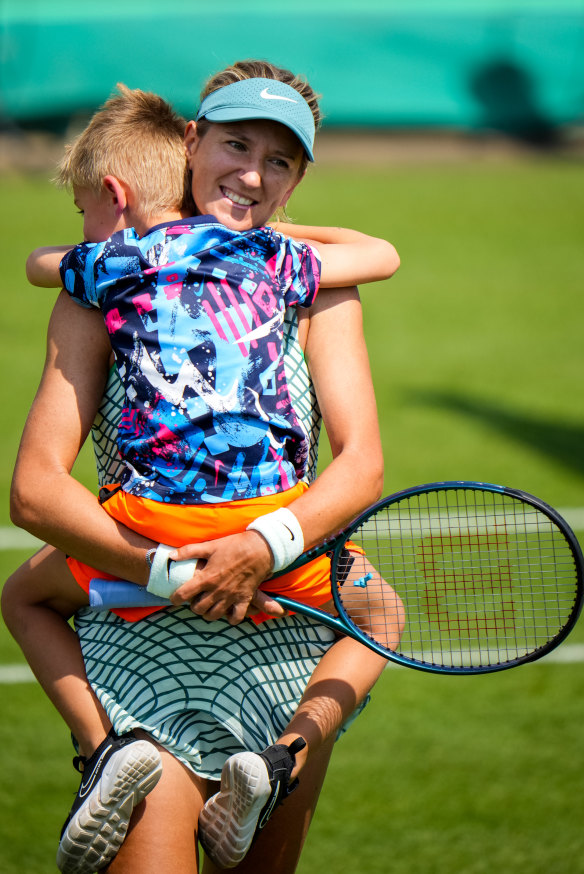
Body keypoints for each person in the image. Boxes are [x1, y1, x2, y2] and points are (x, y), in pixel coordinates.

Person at [5, 61, 400, 874]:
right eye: (235, 143)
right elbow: (36, 488)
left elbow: (360, 466)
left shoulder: (304, 287)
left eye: (280, 161)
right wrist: (170, 573)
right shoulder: (118, 291)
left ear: (299, 178)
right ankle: (109, 750)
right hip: (142, 665)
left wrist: (257, 552)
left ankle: (275, 757)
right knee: (384, 613)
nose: (253, 173)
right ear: (192, 140)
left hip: (285, 654)